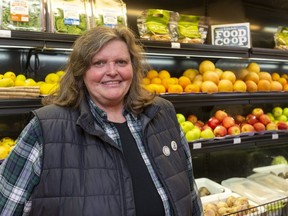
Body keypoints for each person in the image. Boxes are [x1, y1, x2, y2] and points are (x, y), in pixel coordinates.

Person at [0, 26, 203, 216]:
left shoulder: (162, 113)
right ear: (81, 71)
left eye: (121, 62)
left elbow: (190, 195)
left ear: (132, 67)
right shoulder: (45, 128)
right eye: (99, 63)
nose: (112, 71)